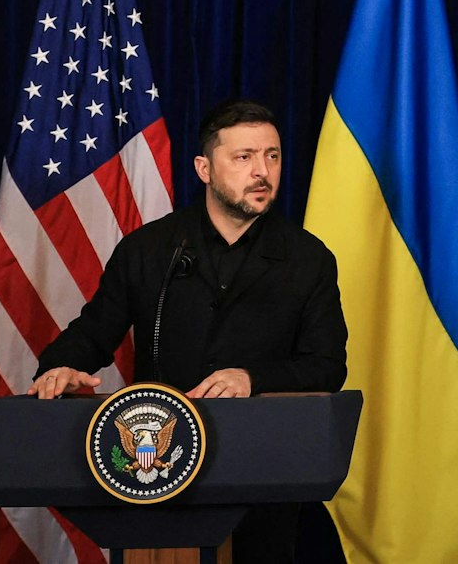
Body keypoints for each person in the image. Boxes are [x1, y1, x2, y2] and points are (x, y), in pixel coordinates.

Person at [30, 99, 347, 562]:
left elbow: (326, 367)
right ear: (204, 167)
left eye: (272, 156)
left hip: (261, 473)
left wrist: (252, 379)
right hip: (158, 472)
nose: (262, 171)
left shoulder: (308, 258)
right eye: (243, 157)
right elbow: (93, 333)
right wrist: (61, 367)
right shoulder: (149, 249)